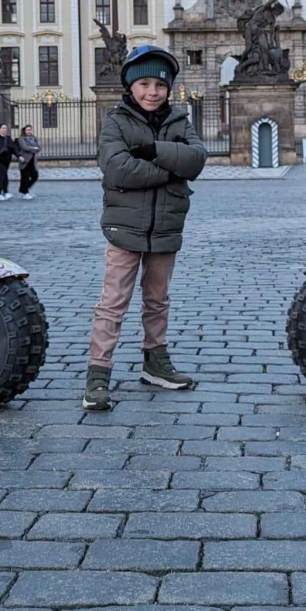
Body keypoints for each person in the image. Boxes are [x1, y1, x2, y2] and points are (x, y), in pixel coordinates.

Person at [84, 45, 207, 411]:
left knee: (157, 302)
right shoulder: (116, 121)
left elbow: (197, 159)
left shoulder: (180, 121)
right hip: (124, 229)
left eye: (160, 84)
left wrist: (151, 149)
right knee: (113, 303)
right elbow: (117, 168)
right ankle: (97, 377)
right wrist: (170, 169)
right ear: (130, 86)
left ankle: (155, 363)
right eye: (145, 84)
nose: (152, 91)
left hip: (166, 228)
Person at [17, 124, 42, 200]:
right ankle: (25, 193)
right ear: (24, 130)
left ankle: (24, 189)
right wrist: (34, 148)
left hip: (33, 160)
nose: (29, 131)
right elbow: (24, 147)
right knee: (25, 177)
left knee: (35, 176)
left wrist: (33, 148)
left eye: (30, 130)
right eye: (27, 130)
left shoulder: (34, 138)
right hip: (25, 160)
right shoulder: (21, 139)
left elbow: (39, 148)